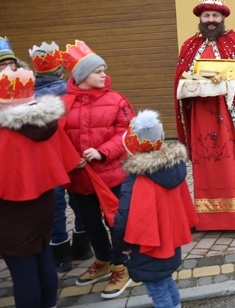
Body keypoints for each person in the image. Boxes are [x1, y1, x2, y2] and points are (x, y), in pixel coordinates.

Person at [174, 0, 235, 234]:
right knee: (206, 166)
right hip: (200, 118)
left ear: (222, 18)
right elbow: (180, 79)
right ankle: (206, 217)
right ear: (200, 17)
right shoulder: (189, 45)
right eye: (206, 15)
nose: (210, 20)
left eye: (215, 15)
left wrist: (227, 86)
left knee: (233, 165)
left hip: (231, 118)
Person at [0, 53, 82, 308]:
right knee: (42, 257)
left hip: (9, 207)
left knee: (22, 270)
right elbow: (68, 159)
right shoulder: (47, 120)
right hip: (44, 201)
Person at [61, 40, 135, 299]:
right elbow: (56, 137)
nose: (105, 75)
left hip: (112, 174)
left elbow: (127, 132)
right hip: (78, 178)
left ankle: (121, 265)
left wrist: (101, 151)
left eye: (104, 70)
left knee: (117, 222)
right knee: (90, 223)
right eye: (98, 71)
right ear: (82, 76)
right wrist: (68, 158)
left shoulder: (116, 100)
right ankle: (103, 260)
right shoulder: (63, 102)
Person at [112, 110, 198, 308]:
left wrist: (119, 246)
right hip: (169, 241)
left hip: (147, 247)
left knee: (157, 289)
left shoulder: (135, 180)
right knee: (164, 280)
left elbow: (123, 219)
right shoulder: (173, 169)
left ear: (131, 148)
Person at [30, 41, 92, 273]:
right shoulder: (72, 91)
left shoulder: (26, 95)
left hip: (46, 160)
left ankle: (60, 254)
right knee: (80, 201)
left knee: (54, 206)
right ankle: (82, 245)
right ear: (60, 69)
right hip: (74, 156)